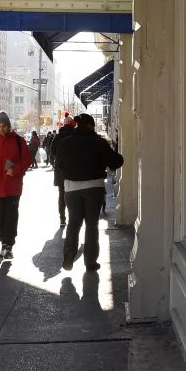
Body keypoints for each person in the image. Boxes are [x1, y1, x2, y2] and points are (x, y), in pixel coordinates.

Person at [56, 113, 123, 272]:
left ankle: (69, 256)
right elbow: (116, 162)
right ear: (90, 125)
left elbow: (59, 164)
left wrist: (71, 174)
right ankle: (90, 262)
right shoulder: (98, 142)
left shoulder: (66, 143)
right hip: (94, 188)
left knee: (73, 223)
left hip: (71, 189)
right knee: (91, 225)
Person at [0, 111, 32, 259]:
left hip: (13, 187)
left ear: (9, 126)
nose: (2, 129)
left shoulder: (18, 141)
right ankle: (3, 242)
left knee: (11, 217)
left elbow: (27, 160)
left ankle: (9, 245)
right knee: (0, 218)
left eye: (4, 126)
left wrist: (15, 171)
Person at [50, 113, 77, 227]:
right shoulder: (76, 136)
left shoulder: (57, 136)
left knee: (62, 195)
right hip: (74, 171)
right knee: (74, 195)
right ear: (72, 124)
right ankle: (73, 218)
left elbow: (52, 152)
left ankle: (62, 219)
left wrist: (58, 160)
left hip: (61, 170)